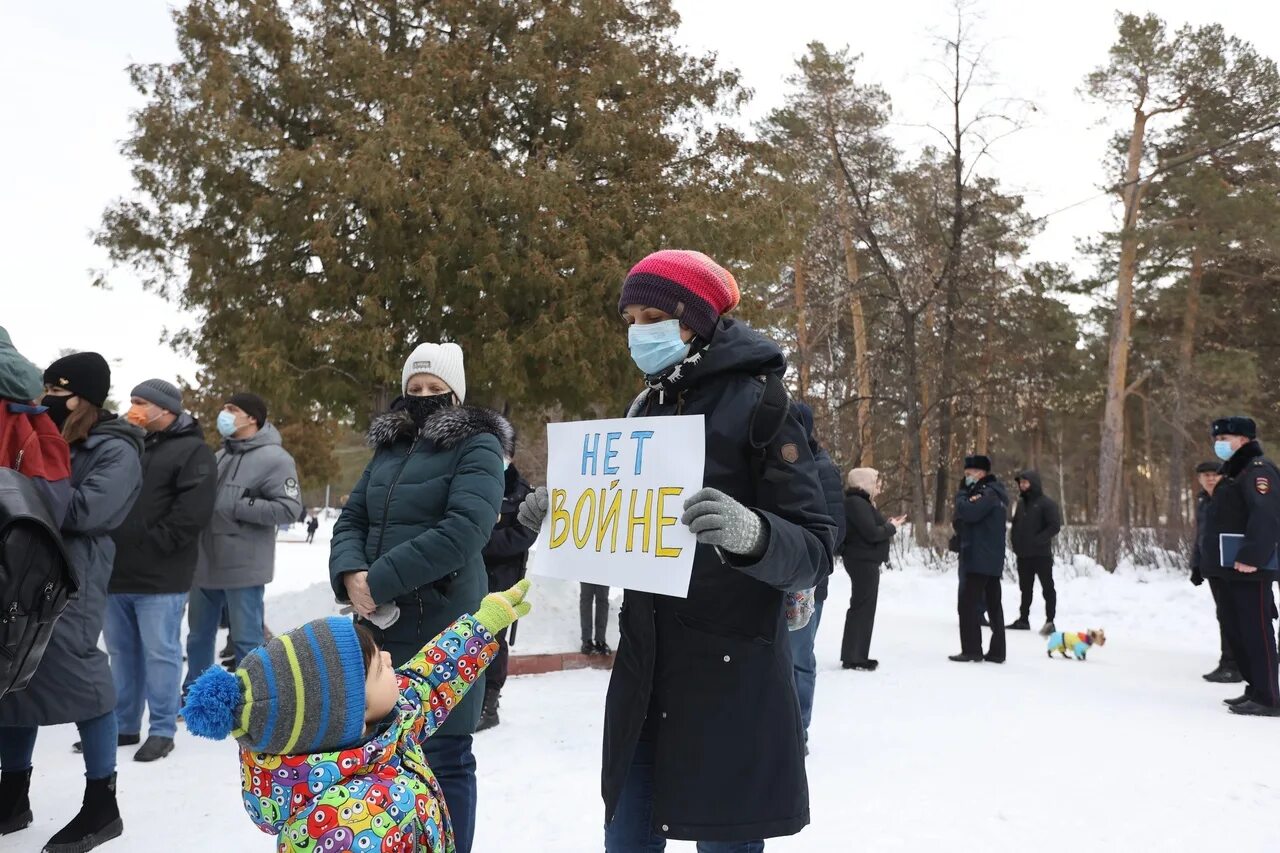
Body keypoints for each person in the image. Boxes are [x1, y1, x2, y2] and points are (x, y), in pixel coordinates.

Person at [518, 249, 835, 851]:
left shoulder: (765, 406)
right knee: (628, 835)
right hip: (645, 669)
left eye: (650, 317)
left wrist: (755, 535)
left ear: (695, 319)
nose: (637, 334)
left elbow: (815, 546)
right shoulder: (647, 404)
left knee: (726, 836)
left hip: (729, 673)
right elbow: (625, 524)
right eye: (629, 319)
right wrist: (566, 512)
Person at [181, 580, 533, 853]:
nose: (390, 659)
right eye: (379, 668)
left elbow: (427, 681)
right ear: (351, 714)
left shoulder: (375, 733)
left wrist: (484, 624)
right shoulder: (344, 829)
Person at [329, 342, 511, 853]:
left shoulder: (477, 446)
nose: (425, 396)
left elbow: (465, 531)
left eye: (436, 389)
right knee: (382, 749)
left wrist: (377, 580)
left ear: (456, 394)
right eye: (415, 388)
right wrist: (349, 573)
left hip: (444, 617)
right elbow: (353, 518)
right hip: (379, 623)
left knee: (445, 753)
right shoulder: (388, 449)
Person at [0, 352, 143, 852]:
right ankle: (13, 793)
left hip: (75, 577)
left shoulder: (116, 448)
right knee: (17, 677)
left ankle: (102, 803)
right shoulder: (48, 437)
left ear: (83, 396)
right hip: (27, 571)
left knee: (81, 677)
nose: (47, 400)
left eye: (58, 392)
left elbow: (85, 511)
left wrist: (23, 488)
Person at [103, 379, 216, 764]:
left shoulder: (194, 451)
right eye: (132, 400)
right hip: (116, 571)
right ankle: (124, 725)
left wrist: (150, 545)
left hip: (161, 576)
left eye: (141, 402)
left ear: (165, 409)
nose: (134, 407)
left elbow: (192, 513)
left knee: (161, 653)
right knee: (121, 653)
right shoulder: (127, 444)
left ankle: (163, 729)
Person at [184, 392, 301, 693]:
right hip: (205, 561)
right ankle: (199, 692)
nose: (224, 414)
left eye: (231, 409)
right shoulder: (219, 455)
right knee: (198, 636)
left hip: (244, 566)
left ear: (252, 418)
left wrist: (241, 506)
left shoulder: (276, 459)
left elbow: (290, 508)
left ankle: (253, 695)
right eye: (224, 408)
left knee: (246, 638)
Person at [1201, 416, 1280, 717]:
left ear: (1244, 440)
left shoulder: (1258, 471)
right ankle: (1256, 688)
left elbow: (1266, 517)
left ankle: (1270, 697)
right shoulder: (1235, 473)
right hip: (1229, 568)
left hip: (1250, 568)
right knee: (1238, 630)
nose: (1219, 444)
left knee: (1257, 631)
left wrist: (1251, 556)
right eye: (1218, 439)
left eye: (1226, 439)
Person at [788, 402, 846, 745]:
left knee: (798, 657)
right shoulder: (784, 461)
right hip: (776, 577)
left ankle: (799, 731)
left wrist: (802, 554)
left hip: (806, 583)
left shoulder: (822, 468)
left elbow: (835, 530)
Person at [477, 450, 537, 731]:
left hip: (503, 580)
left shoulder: (520, 492)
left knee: (494, 642)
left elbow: (524, 536)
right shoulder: (474, 482)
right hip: (470, 577)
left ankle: (489, 704)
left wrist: (480, 542)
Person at [840, 468, 904, 671]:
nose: (879, 487)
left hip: (863, 559)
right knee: (862, 608)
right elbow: (871, 533)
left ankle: (856, 654)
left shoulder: (861, 503)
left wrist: (887, 525)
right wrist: (891, 527)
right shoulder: (856, 503)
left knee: (863, 607)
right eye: (876, 482)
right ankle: (854, 657)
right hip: (862, 560)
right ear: (864, 483)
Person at [950, 454, 1009, 664]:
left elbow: (969, 512)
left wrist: (961, 496)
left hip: (980, 557)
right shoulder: (993, 493)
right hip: (988, 557)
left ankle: (972, 649)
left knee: (967, 604)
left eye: (970, 474)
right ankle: (997, 651)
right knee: (993, 604)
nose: (967, 478)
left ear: (982, 473)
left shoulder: (988, 494)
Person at [1190, 461, 1243, 684]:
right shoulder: (1203, 500)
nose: (1210, 478)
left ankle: (1233, 665)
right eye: (1206, 475)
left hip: (1231, 567)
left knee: (1232, 615)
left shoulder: (1229, 496)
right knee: (1224, 614)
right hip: (1212, 568)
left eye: (1215, 474)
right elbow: (1201, 535)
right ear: (1200, 479)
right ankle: (1229, 662)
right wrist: (1196, 564)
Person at [1007, 469, 1062, 636]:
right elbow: (1016, 525)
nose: (1022, 485)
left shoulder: (1047, 504)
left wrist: (1038, 540)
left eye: (1025, 482)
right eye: (1021, 483)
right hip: (1023, 555)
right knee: (1025, 588)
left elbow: (1054, 526)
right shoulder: (1021, 504)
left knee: (1047, 588)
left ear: (1034, 483)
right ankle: (1023, 619)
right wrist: (1015, 542)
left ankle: (1050, 621)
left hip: (1041, 555)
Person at [580, 582, 612, 656]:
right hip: (586, 572)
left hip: (604, 572)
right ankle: (586, 640)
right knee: (586, 600)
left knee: (603, 600)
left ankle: (600, 640)